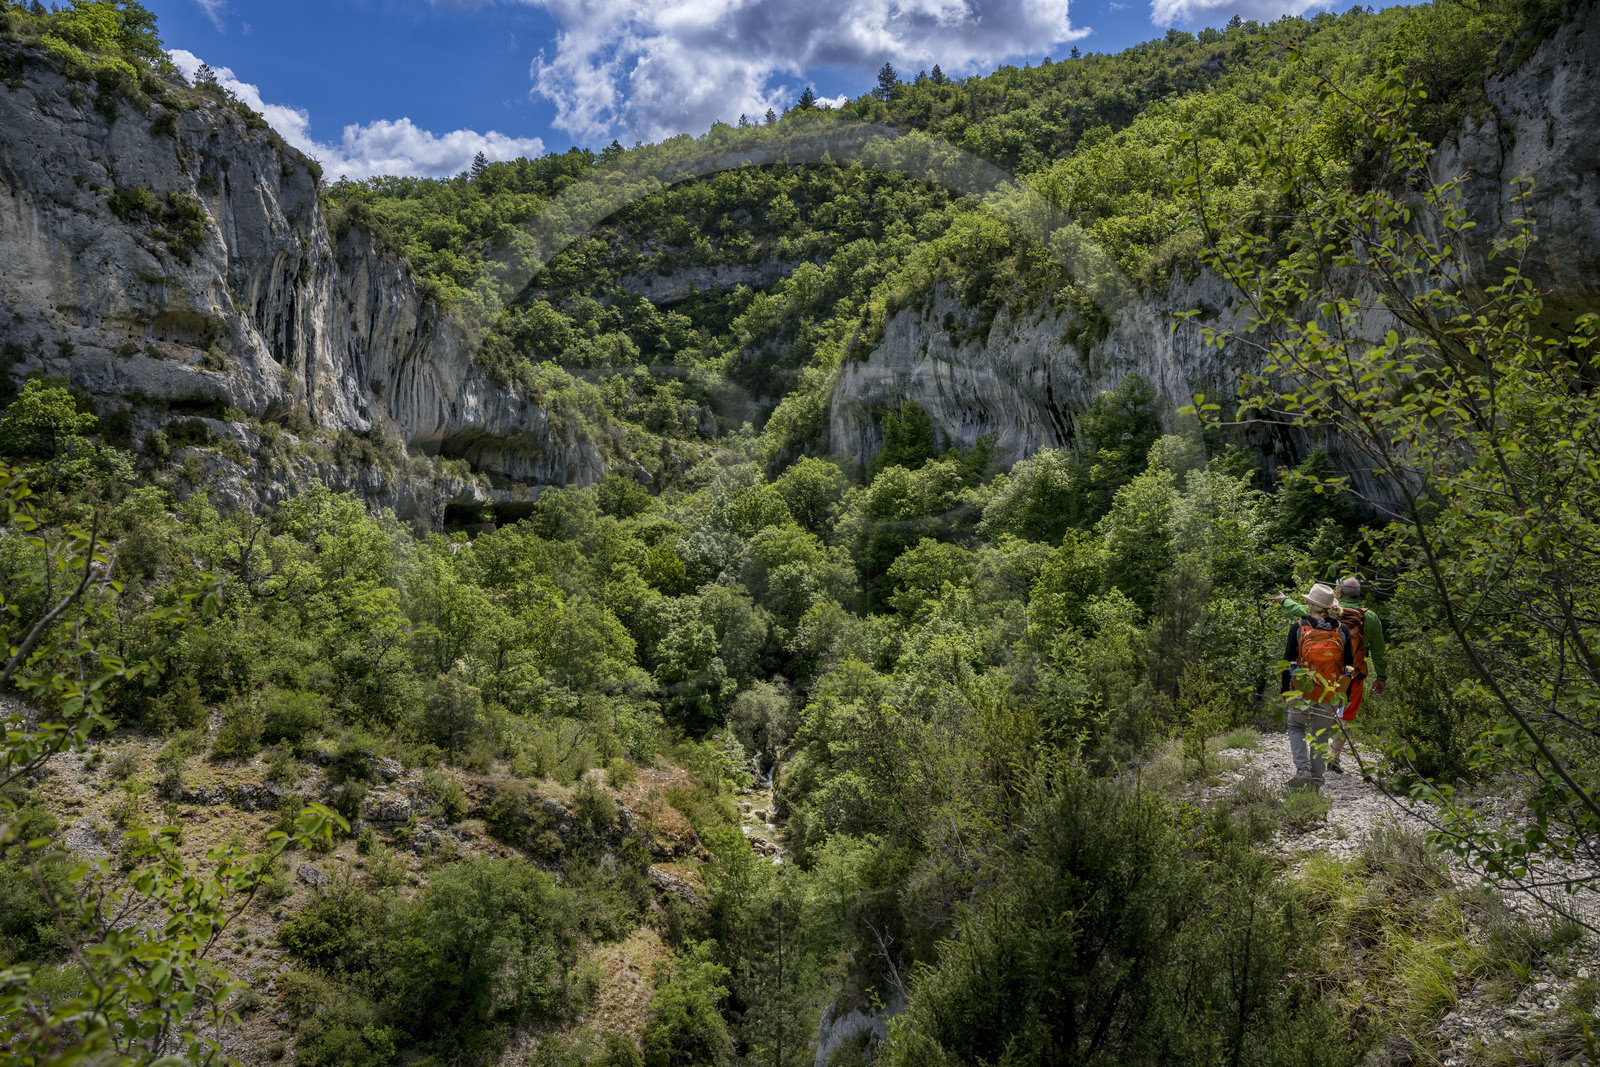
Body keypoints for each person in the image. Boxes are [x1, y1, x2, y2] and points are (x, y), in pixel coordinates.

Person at [1273, 575, 1388, 772]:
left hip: (1310, 680)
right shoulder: (1369, 617)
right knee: (1344, 717)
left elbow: (1295, 610)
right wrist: (1382, 676)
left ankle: (1303, 769)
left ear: (1339, 592)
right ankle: (1333, 758)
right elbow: (1378, 650)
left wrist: (1283, 599)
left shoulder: (1311, 616)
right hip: (1348, 678)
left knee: (1298, 725)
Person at [1278, 582, 1353, 788]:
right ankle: (1318, 778)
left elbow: (1288, 661)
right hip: (1329, 691)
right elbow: (1349, 666)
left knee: (1296, 727)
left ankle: (1302, 770)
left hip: (1302, 689)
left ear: (1310, 604)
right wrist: (1343, 692)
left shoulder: (1299, 627)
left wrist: (1285, 690)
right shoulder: (1342, 630)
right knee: (1320, 736)